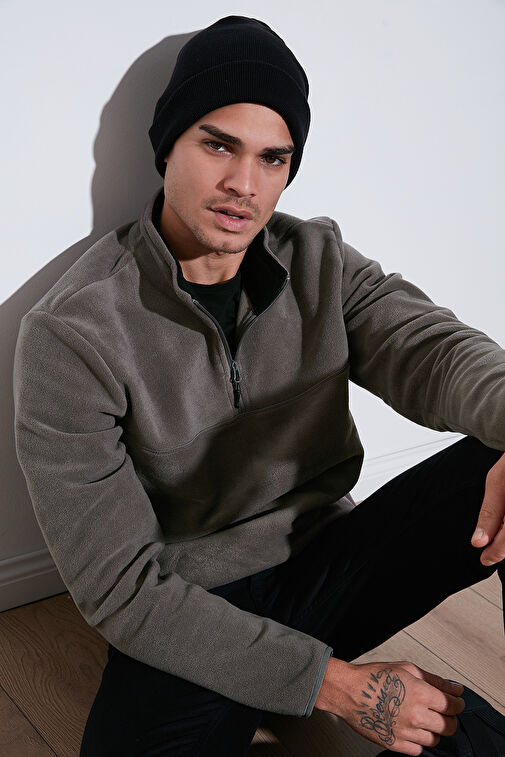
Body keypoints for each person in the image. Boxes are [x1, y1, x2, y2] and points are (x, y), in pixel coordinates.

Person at [13, 15, 505, 757]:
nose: (244, 185)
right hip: (188, 607)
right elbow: (122, 588)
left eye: (272, 158)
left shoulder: (318, 261)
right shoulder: (73, 334)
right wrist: (341, 688)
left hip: (326, 561)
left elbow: (435, 354)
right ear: (167, 145)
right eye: (218, 145)